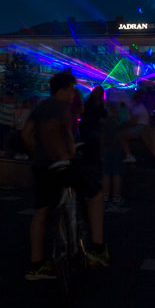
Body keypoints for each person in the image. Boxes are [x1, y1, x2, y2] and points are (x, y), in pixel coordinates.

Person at [23, 72, 107, 280]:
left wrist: (38, 153)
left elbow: (26, 133)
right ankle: (98, 248)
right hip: (62, 164)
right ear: (63, 89)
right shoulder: (59, 107)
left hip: (41, 166)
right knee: (96, 195)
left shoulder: (40, 106)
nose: (73, 94)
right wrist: (63, 155)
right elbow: (56, 131)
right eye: (71, 89)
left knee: (41, 211)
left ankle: (36, 265)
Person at [101, 101, 125, 207]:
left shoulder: (106, 121)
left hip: (107, 149)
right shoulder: (119, 122)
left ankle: (105, 196)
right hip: (117, 149)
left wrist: (101, 150)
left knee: (106, 173)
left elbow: (102, 137)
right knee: (116, 173)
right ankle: (116, 197)